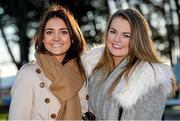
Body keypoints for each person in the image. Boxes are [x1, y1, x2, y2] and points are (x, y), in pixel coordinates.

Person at [84, 8, 177, 120]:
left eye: (126, 35)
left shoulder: (149, 78)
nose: (117, 39)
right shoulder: (94, 67)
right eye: (113, 32)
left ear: (137, 39)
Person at [8, 4, 88, 120]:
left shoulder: (82, 72)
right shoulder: (29, 74)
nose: (56, 38)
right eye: (50, 32)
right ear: (43, 38)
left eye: (63, 32)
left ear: (72, 37)